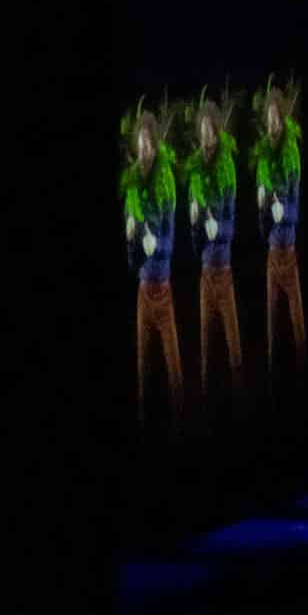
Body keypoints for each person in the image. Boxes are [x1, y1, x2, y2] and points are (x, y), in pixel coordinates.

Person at [122, 101, 182, 430]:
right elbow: (132, 258)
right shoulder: (132, 184)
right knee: (142, 365)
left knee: (173, 365)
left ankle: (179, 417)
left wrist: (154, 246)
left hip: (163, 286)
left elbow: (171, 242)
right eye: (140, 143)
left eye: (149, 142)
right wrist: (132, 240)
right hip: (143, 289)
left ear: (155, 145)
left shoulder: (166, 180)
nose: (144, 148)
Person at [183, 93, 243, 396]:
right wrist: (196, 224)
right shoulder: (195, 170)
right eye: (202, 132)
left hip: (224, 268)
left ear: (217, 132)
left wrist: (216, 229)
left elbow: (231, 223)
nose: (206, 138)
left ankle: (239, 388)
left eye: (210, 132)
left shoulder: (227, 165)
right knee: (205, 341)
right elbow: (194, 239)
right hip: (206, 271)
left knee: (233, 341)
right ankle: (206, 390)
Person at [249, 78, 306, 374]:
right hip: (272, 251)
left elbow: (295, 208)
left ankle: (302, 362)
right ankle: (272, 364)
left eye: (276, 119)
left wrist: (282, 211)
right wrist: (263, 208)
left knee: (296, 314)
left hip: (289, 250)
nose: (272, 125)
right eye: (268, 120)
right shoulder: (263, 156)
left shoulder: (291, 152)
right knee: (271, 314)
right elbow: (261, 217)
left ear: (282, 119)